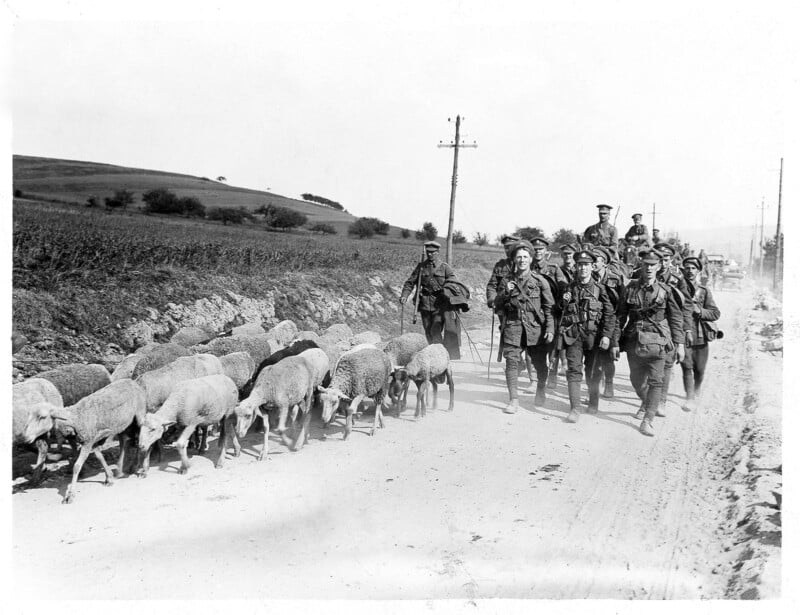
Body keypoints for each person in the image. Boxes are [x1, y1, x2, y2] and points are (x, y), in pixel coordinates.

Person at [618, 249, 685, 437]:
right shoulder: (630, 288)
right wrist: (615, 341)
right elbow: (620, 316)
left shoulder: (666, 291)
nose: (649, 268)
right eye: (646, 264)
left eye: (653, 265)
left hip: (659, 340)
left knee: (656, 381)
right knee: (637, 381)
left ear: (659, 267)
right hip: (634, 340)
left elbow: (676, 319)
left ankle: (648, 419)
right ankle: (647, 403)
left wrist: (679, 345)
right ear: (641, 265)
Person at [494, 240, 555, 413]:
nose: (522, 260)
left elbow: (549, 307)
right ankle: (513, 400)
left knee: (540, 364)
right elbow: (496, 305)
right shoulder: (506, 281)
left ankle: (541, 389)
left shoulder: (540, 281)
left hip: (535, 329)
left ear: (530, 259)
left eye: (525, 257)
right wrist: (505, 292)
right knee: (511, 363)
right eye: (518, 257)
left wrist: (550, 329)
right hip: (513, 328)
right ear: (514, 259)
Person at [560, 250, 615, 422]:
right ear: (576, 267)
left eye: (586, 265)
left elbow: (610, 315)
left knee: (593, 372)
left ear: (592, 267)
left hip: (594, 337)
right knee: (573, 371)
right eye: (580, 265)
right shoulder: (568, 288)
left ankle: (593, 402)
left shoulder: (601, 290)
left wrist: (606, 336)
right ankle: (575, 408)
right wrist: (563, 302)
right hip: (574, 336)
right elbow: (558, 312)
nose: (583, 268)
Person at [400, 241, 459, 356]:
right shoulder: (421, 267)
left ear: (437, 252)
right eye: (428, 252)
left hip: (440, 305)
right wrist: (404, 295)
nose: (430, 254)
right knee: (428, 331)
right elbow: (410, 282)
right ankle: (434, 354)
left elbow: (453, 282)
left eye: (432, 252)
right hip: (425, 304)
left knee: (435, 330)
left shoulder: (445, 267)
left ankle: (439, 356)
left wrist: (449, 291)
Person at [653, 242, 692, 417]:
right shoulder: (645, 273)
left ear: (670, 260)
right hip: (649, 325)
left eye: (666, 259)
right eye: (659, 258)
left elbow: (687, 306)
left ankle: (661, 401)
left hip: (668, 325)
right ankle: (649, 399)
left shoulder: (677, 279)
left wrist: (685, 330)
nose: (663, 262)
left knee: (667, 363)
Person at [680, 257, 721, 412]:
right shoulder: (677, 289)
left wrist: (701, 311)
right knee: (686, 366)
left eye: (693, 268)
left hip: (700, 336)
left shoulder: (703, 291)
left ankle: (696, 389)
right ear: (683, 270)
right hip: (683, 335)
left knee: (699, 369)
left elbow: (715, 313)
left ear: (698, 271)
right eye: (687, 268)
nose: (690, 271)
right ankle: (689, 397)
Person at [529, 237, 569, 389]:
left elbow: (563, 285)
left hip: (551, 311)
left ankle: (552, 375)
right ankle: (534, 378)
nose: (538, 252)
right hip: (532, 312)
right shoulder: (527, 267)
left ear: (546, 252)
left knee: (553, 346)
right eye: (535, 249)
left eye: (541, 249)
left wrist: (564, 295)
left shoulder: (553, 269)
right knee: (531, 344)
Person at [592, 246, 624, 398]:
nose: (592, 263)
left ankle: (609, 383)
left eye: (596, 260)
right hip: (593, 321)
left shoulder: (614, 279)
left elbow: (621, 307)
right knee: (593, 356)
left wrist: (615, 331)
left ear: (604, 263)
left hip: (612, 320)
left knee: (608, 356)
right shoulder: (587, 277)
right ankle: (595, 385)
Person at [486, 235, 519, 308]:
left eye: (511, 247)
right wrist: (492, 299)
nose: (508, 250)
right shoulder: (500, 265)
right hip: (503, 304)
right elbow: (492, 285)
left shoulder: (525, 264)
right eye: (506, 247)